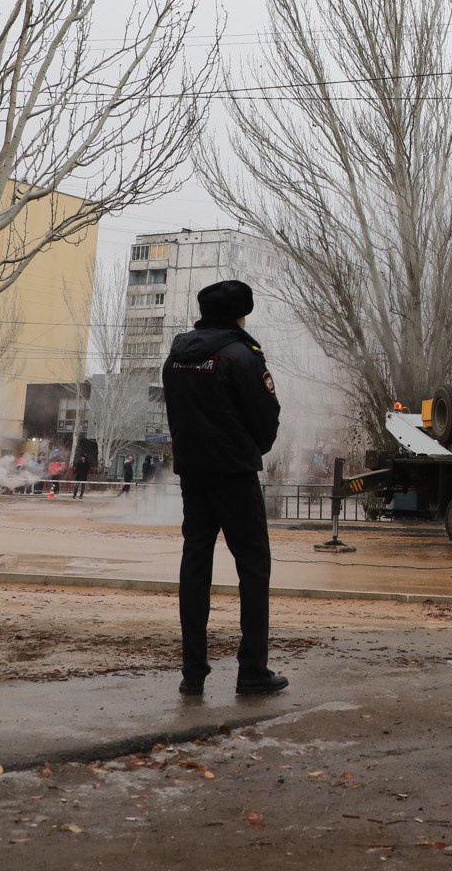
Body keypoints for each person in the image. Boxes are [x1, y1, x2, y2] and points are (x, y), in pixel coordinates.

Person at [162, 279, 288, 697]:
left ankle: (192, 674)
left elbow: (177, 413)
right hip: (234, 475)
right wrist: (253, 449)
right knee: (253, 568)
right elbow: (266, 416)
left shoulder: (177, 355)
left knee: (194, 568)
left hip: (193, 476)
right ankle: (252, 671)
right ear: (241, 312)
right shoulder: (242, 355)